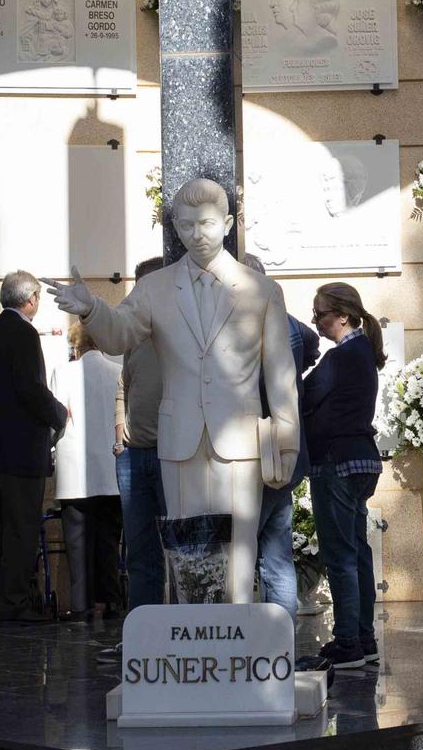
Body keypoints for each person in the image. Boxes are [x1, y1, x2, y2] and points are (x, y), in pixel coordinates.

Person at [45, 178, 300, 605]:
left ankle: (236, 637)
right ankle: (196, 640)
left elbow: (281, 373)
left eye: (206, 223)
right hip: (178, 439)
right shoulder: (155, 287)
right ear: (176, 229)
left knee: (240, 550)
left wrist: (287, 439)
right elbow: (120, 335)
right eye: (185, 226)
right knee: (188, 552)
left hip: (240, 440)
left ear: (229, 223)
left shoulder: (262, 291)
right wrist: (91, 308)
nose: (196, 234)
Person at [297, 283, 386, 674]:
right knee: (358, 553)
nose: (315, 320)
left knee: (341, 556)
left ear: (344, 315)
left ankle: (348, 641)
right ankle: (365, 640)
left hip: (337, 462)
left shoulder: (341, 356)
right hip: (362, 461)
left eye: (320, 314)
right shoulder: (363, 351)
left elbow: (304, 395)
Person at [0, 271, 70, 624]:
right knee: (21, 530)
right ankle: (15, 604)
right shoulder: (24, 333)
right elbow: (30, 389)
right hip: (21, 452)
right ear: (30, 299)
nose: (38, 305)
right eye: (39, 299)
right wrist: (60, 413)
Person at [243, 254, 320, 619]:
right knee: (277, 552)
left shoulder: (249, 325)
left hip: (254, 448)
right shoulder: (295, 328)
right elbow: (312, 344)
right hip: (287, 450)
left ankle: (249, 638)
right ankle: (282, 639)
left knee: (244, 549)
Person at [55, 319, 125, 622]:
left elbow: (59, 417)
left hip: (75, 470)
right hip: (110, 468)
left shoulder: (64, 372)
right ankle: (109, 601)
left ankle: (81, 605)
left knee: (77, 541)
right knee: (109, 538)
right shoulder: (117, 372)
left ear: (77, 344)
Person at [113, 256, 167, 609]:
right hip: (133, 454)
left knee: (181, 549)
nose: (134, 293)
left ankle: (180, 629)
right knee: (139, 551)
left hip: (170, 452)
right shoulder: (133, 334)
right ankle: (141, 632)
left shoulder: (179, 330)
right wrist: (119, 430)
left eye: (140, 284)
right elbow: (124, 384)